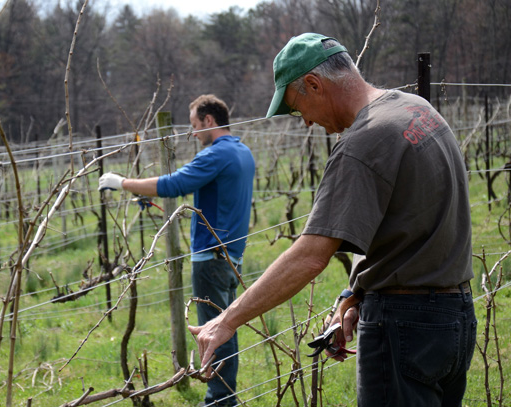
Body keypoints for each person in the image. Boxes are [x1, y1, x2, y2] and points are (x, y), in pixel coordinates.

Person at [188, 33, 477, 407]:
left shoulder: (362, 142)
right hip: (455, 320)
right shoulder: (415, 108)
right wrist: (355, 294)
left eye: (297, 107)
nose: (306, 122)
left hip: (404, 328)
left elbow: (311, 254)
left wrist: (227, 320)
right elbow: (409, 221)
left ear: (313, 84)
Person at [99, 94, 255, 407]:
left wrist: (123, 183)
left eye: (195, 126)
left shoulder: (216, 154)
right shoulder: (243, 152)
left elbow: (175, 184)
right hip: (231, 256)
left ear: (209, 121)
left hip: (211, 257)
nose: (193, 133)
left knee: (214, 330)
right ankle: (225, 398)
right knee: (225, 327)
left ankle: (219, 401)